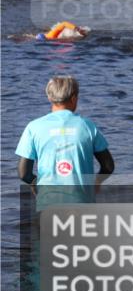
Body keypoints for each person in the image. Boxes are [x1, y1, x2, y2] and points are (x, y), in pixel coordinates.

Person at [16, 76, 114, 205]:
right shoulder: (87, 126)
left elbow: (23, 173)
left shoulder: (33, 127)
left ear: (50, 98)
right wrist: (96, 181)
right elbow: (108, 166)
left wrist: (35, 184)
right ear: (74, 98)